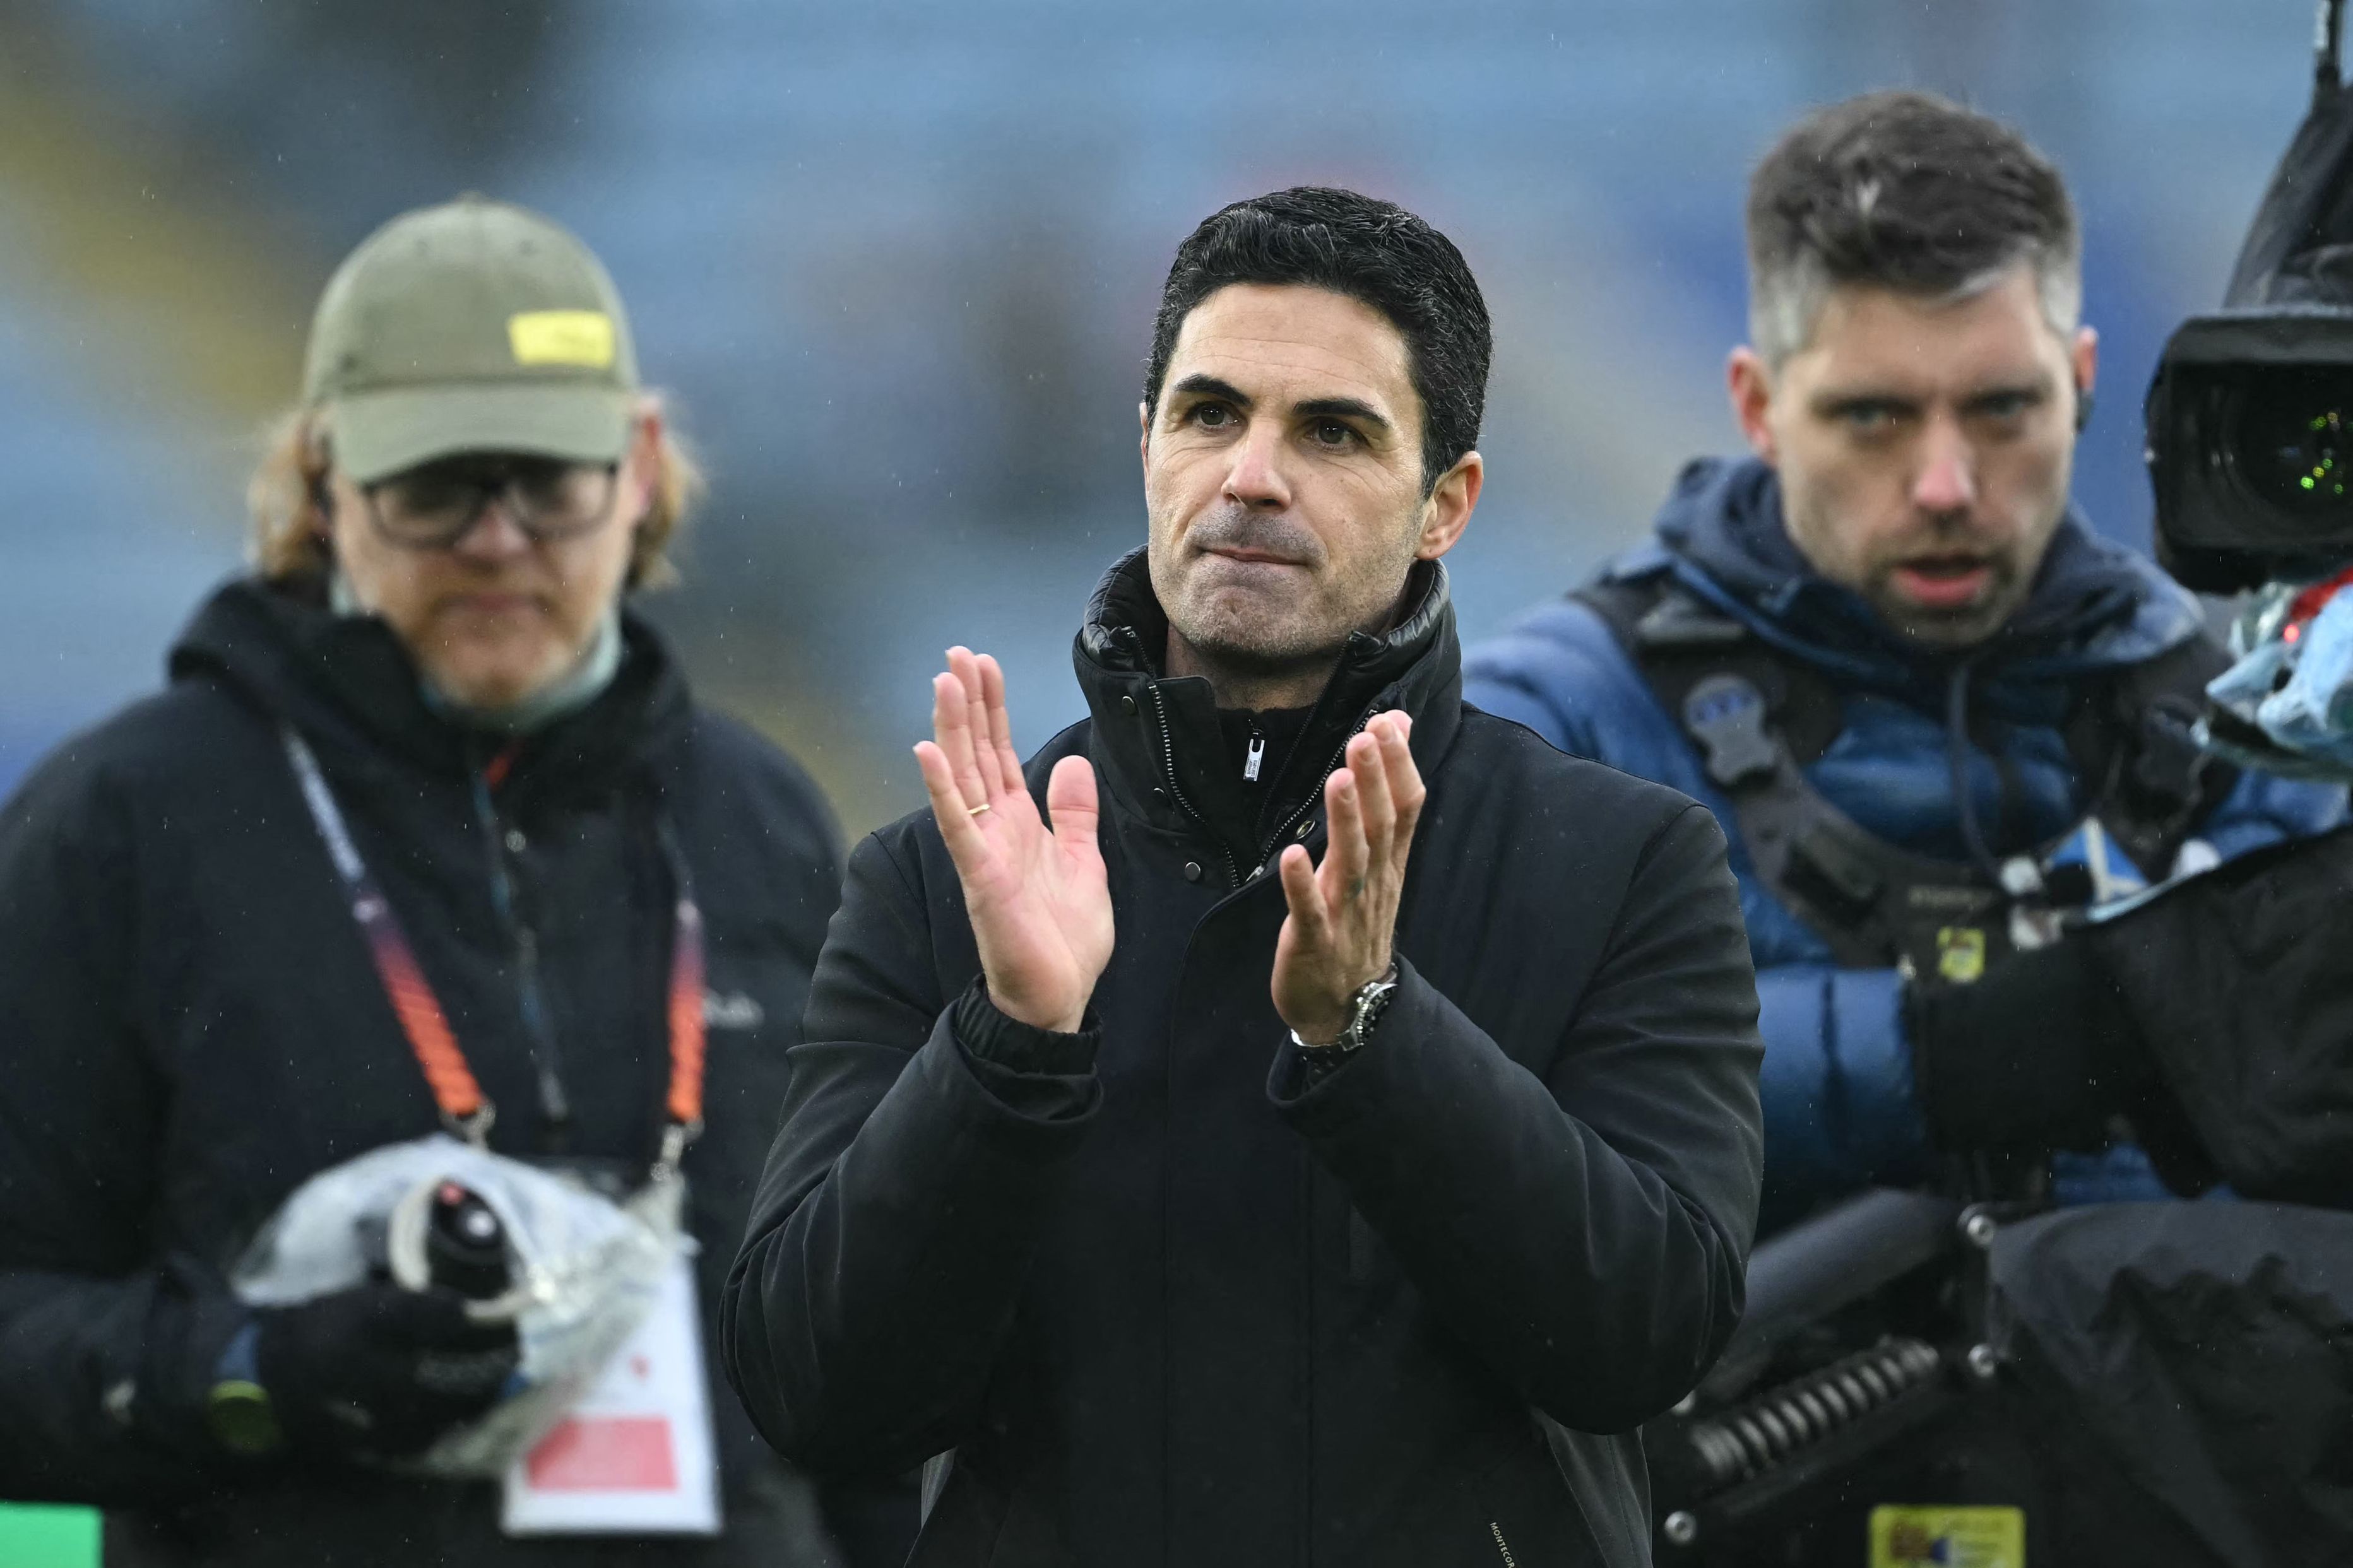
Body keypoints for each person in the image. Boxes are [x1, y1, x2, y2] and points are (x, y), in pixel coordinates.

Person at [723, 186, 1766, 1567]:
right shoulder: (945, 875)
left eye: (1331, 431)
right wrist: (1005, 1048)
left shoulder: (1625, 860)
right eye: (1209, 414)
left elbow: (1645, 1338)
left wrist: (1375, 1033)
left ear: (1446, 504)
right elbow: (814, 1392)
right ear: (1144, 444)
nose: (1252, 475)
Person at [0, 196, 895, 1565]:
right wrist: (255, 1370)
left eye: (548, 479)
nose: (495, 537)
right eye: (434, 485)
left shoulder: (760, 818)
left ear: (642, 466)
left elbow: (859, 1350)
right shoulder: (122, 824)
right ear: (319, 483)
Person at [1461, 91, 2347, 1233]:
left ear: (2080, 384)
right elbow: (1446, 1083)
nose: (1945, 484)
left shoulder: (2261, 723)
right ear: (1759, 406)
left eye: (2000, 410)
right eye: (1875, 416)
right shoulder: (1551, 725)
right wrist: (1948, 1055)